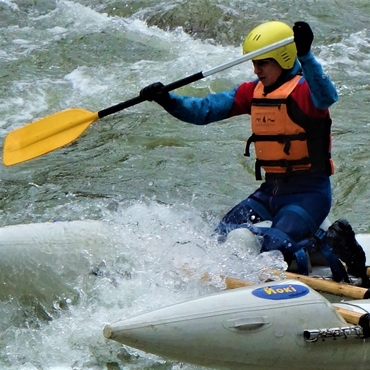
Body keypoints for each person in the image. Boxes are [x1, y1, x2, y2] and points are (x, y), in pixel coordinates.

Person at [140, 21, 368, 285]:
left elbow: (327, 96)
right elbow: (204, 110)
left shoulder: (306, 91)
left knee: (272, 247)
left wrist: (305, 55)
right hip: (271, 192)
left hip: (309, 194)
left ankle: (336, 247)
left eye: (264, 62)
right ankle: (315, 238)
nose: (257, 69)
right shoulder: (252, 91)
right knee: (221, 234)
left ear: (283, 58)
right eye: (254, 62)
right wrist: (167, 99)